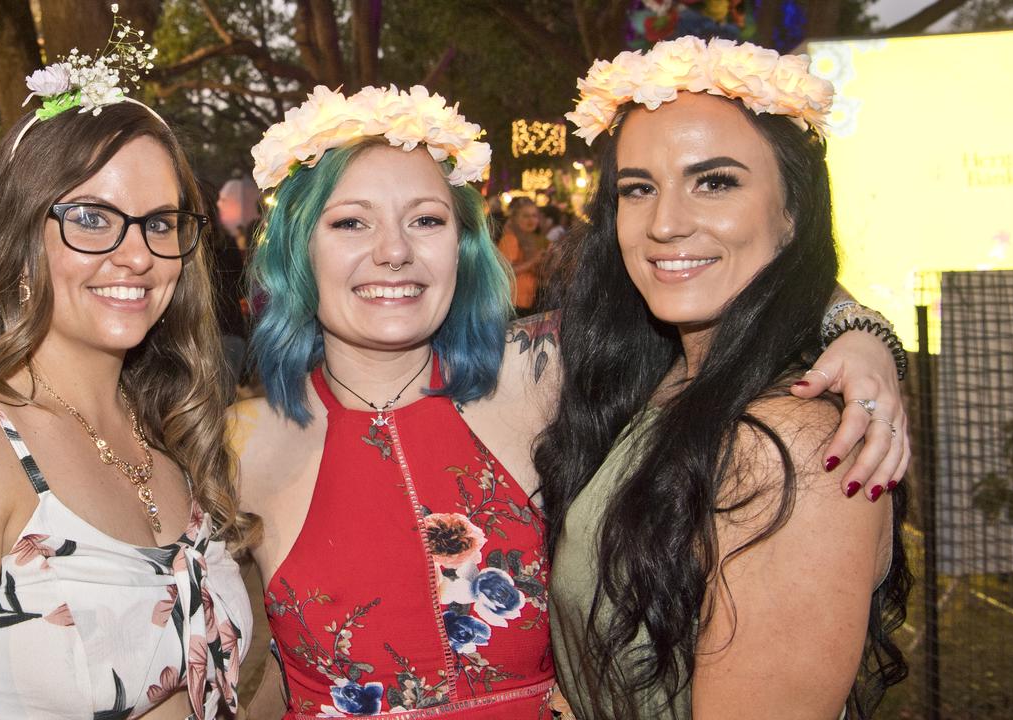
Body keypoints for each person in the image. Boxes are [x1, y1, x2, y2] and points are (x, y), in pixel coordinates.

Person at [231, 84, 908, 718]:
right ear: (298, 248)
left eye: (427, 220)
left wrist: (860, 330)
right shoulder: (235, 443)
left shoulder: (542, 372)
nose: (393, 253)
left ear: (464, 247)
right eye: (350, 223)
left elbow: (725, 280)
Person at [0, 19, 254, 720]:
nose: (137, 254)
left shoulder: (171, 426)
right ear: (19, 236)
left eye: (160, 222)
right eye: (92, 218)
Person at [538, 37, 912, 719]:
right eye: (638, 189)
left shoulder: (797, 448)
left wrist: (858, 325)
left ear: (792, 211)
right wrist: (860, 324)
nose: (667, 223)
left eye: (716, 182)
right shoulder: (652, 377)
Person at [497, 196, 546, 315]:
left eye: (534, 216)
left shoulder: (530, 239)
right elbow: (505, 271)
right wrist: (534, 260)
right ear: (515, 218)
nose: (531, 220)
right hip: (512, 305)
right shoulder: (510, 239)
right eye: (525, 216)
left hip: (526, 303)